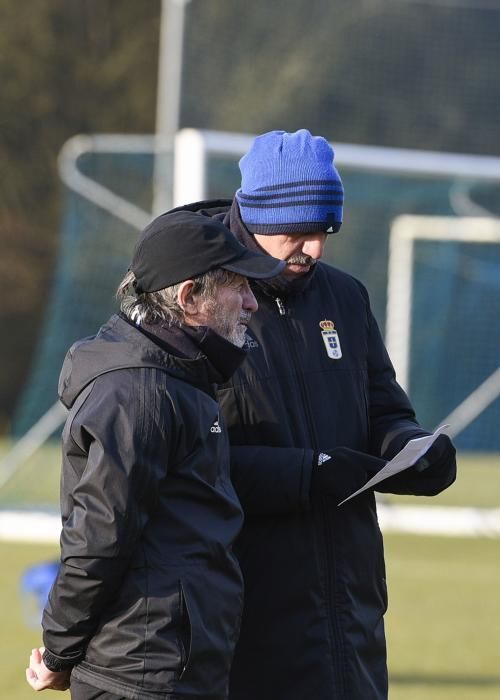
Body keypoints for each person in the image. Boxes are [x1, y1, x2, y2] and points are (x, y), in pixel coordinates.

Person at [169, 130, 457, 700]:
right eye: (297, 232)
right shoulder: (195, 304)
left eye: (324, 231)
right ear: (252, 217)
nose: (315, 248)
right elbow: (187, 459)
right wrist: (309, 474)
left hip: (350, 606)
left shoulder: (346, 298)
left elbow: (382, 407)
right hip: (244, 608)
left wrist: (412, 447)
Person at [25, 209, 285, 700]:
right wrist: (59, 651)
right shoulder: (139, 394)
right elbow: (100, 540)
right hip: (140, 677)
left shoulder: (180, 377)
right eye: (239, 288)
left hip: (174, 668)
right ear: (189, 298)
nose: (253, 303)